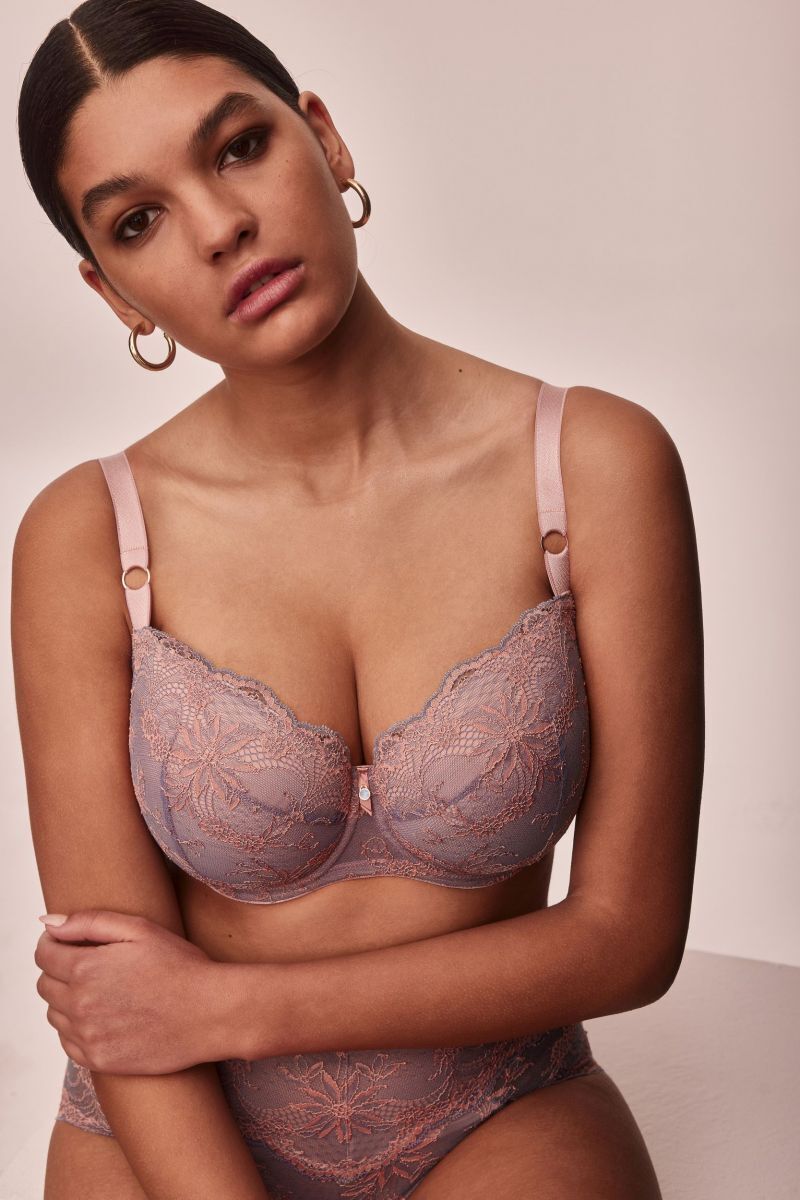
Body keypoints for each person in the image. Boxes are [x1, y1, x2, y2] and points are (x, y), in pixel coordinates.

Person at [12, 2, 704, 1198]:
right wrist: (183, 1024)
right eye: (139, 220)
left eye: (239, 147)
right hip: (165, 1132)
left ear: (324, 140)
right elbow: (115, 998)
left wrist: (227, 1007)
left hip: (491, 1111)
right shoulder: (85, 537)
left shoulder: (590, 467)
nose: (221, 227)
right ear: (113, 293)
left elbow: (626, 938)